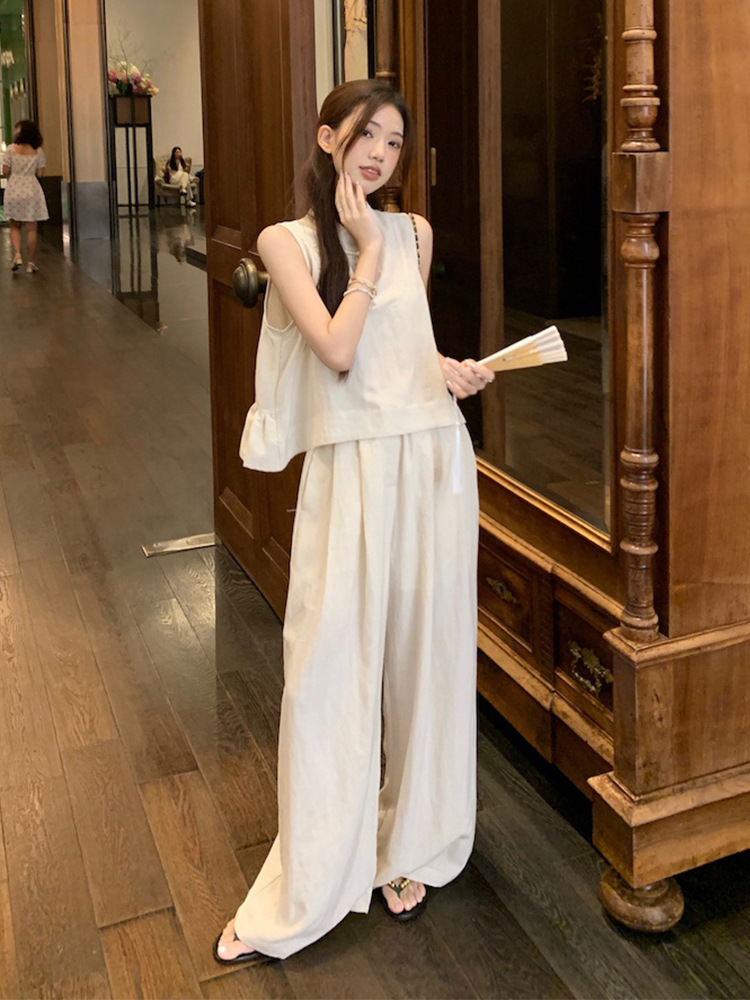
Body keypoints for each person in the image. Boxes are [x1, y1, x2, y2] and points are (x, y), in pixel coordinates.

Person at [214, 78, 495, 966]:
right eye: (367, 134)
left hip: (432, 461)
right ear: (328, 136)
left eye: (395, 142)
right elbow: (337, 350)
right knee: (328, 667)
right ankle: (312, 878)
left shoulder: (416, 233)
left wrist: (448, 369)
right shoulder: (288, 241)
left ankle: (409, 842)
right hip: (352, 471)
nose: (379, 154)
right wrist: (368, 246)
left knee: (426, 660)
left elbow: (399, 351)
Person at [1, 120, 48, 273]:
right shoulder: (38, 151)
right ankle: (31, 264)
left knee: (15, 225)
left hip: (14, 188)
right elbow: (40, 173)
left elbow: (5, 171)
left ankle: (17, 255)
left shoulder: (10, 149)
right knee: (31, 229)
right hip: (31, 189)